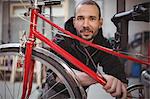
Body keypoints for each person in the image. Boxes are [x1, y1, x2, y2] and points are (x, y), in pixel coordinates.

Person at [45, 0, 128, 99]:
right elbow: (59, 77)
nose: (85, 25)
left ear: (100, 23)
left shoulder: (102, 44)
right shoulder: (61, 40)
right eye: (80, 18)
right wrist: (98, 78)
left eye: (92, 19)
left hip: (80, 93)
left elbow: (117, 73)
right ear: (74, 22)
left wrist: (122, 87)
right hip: (55, 93)